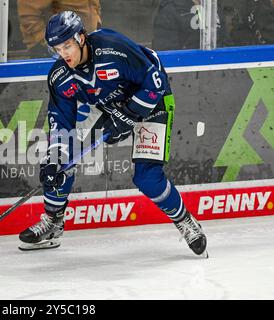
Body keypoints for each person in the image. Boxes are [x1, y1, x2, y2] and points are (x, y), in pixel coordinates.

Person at [18, 11, 208, 257]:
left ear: (81, 38)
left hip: (151, 102)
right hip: (110, 106)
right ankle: (53, 223)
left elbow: (156, 81)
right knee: (60, 162)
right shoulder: (60, 77)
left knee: (147, 178)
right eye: (57, 48)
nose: (63, 54)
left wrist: (129, 114)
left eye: (67, 46)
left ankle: (185, 221)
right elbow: (61, 125)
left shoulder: (112, 48)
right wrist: (54, 159)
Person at [17, 0, 101, 58]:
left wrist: (97, 25)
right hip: (54, 50)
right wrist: (47, 42)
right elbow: (28, 11)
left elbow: (92, 5)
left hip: (83, 44)